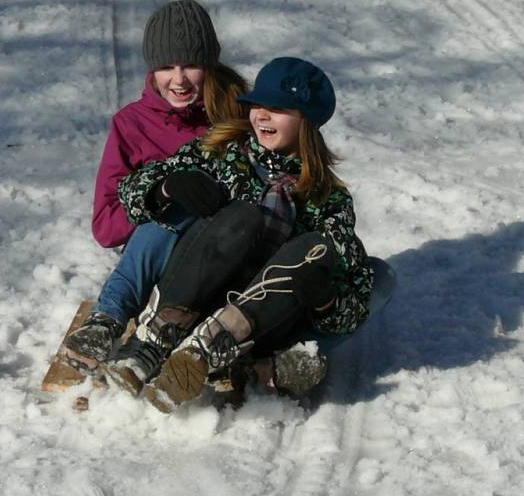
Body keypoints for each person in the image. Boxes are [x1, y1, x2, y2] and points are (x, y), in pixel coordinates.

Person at [103, 56, 375, 412]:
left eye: (276, 109)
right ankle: (155, 339)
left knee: (316, 251)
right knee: (244, 217)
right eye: (256, 105)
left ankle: (204, 355)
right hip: (190, 291)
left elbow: (355, 302)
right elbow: (131, 194)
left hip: (248, 326)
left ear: (305, 120)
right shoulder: (222, 153)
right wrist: (165, 187)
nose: (261, 116)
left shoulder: (328, 199)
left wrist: (326, 299)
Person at [64, 0, 248, 368]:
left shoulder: (238, 114)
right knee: (172, 213)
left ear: (210, 64)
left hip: (225, 258)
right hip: (155, 265)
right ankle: (108, 319)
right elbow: (106, 226)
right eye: (166, 67)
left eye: (191, 65)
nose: (178, 80)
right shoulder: (131, 125)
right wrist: (160, 192)